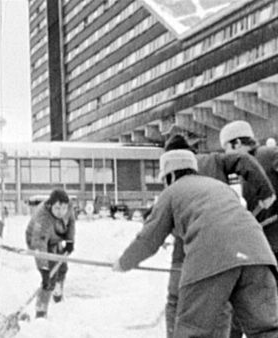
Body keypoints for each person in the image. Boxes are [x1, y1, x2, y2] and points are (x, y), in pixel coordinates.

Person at [113, 149, 278, 337]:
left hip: (212, 259)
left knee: (193, 331)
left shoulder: (172, 192)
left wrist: (124, 262)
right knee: (266, 330)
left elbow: (149, 239)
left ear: (171, 175)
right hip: (258, 256)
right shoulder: (220, 187)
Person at [162, 134, 276, 337]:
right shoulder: (214, 160)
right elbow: (244, 160)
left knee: (182, 305)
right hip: (246, 243)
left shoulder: (178, 175)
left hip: (200, 248)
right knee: (256, 320)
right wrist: (266, 192)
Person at [219, 120, 278, 337]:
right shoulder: (248, 167)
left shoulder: (267, 154)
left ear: (236, 143)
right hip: (262, 246)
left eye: (227, 150)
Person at [25, 188, 75, 318]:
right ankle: (40, 312)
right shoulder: (43, 217)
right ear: (50, 205)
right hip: (38, 240)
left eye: (63, 208)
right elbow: (38, 244)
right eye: (57, 208)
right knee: (49, 278)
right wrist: (43, 268)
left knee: (62, 268)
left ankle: (58, 293)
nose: (61, 212)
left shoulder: (68, 207)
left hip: (54, 237)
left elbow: (71, 223)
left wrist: (70, 241)